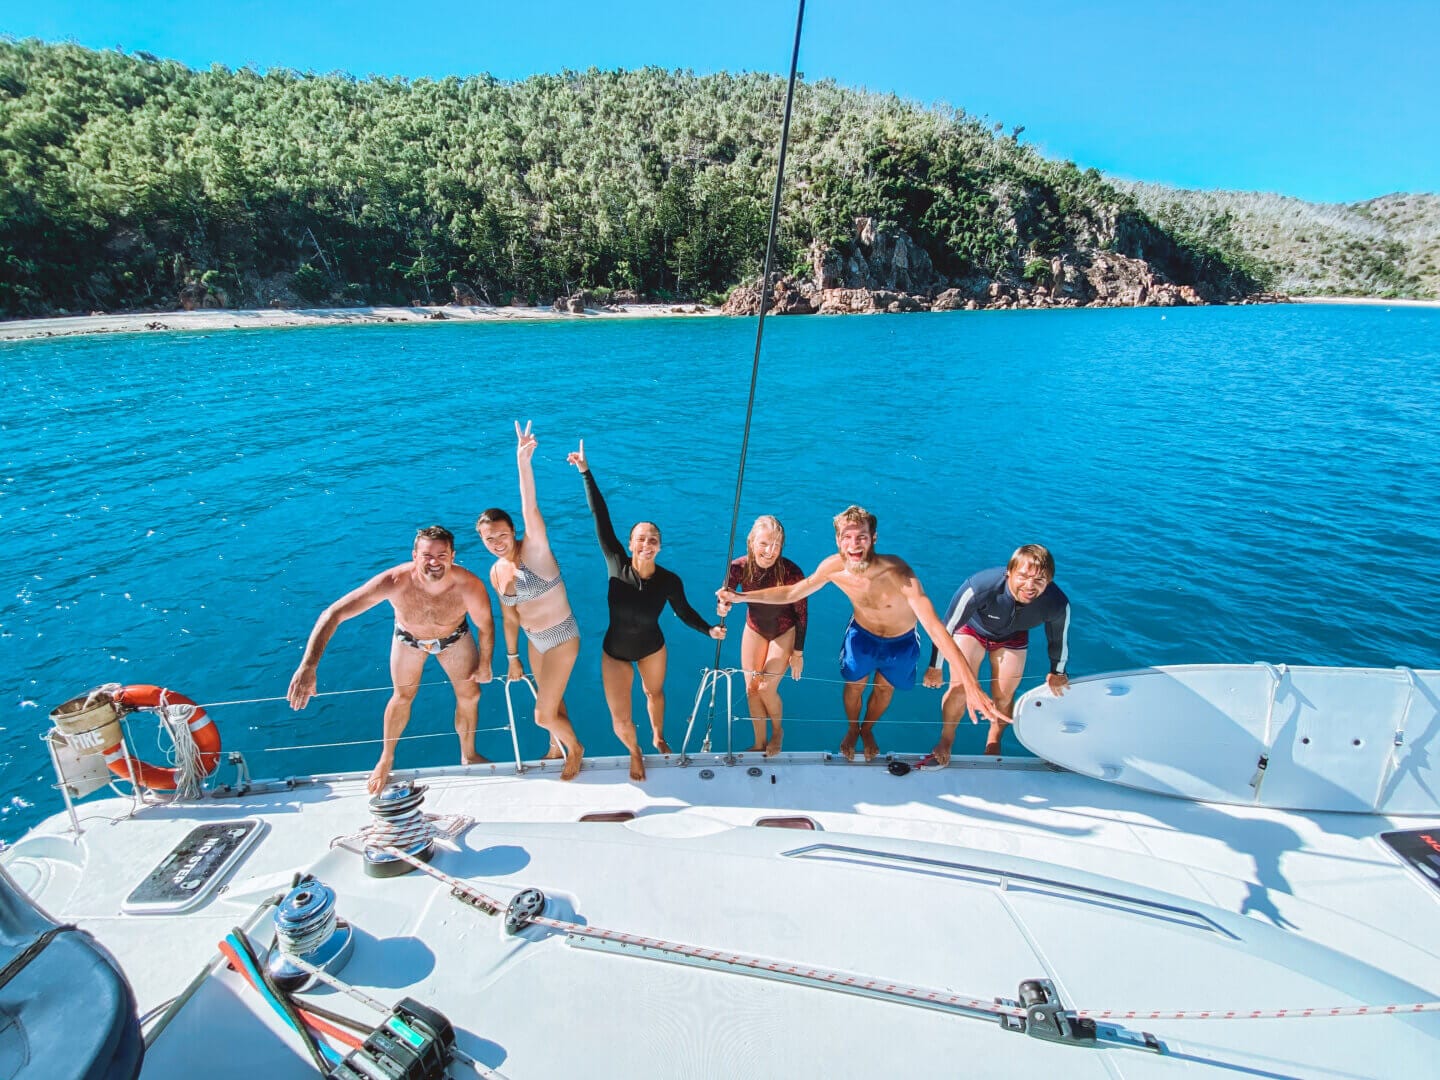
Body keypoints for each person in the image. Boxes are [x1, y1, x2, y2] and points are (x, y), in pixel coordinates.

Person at [718, 505, 1006, 762]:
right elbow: (793, 592)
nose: (854, 544)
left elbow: (934, 626)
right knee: (853, 687)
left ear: (874, 539)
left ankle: (867, 730)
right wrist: (742, 598)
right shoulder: (833, 568)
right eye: (847, 537)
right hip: (862, 636)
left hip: (901, 641)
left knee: (883, 689)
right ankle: (852, 729)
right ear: (837, 541)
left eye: (861, 538)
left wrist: (970, 684)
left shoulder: (897, 571)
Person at [287, 525, 495, 794]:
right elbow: (333, 613)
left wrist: (486, 662)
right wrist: (308, 665)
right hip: (409, 640)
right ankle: (386, 758)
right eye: (427, 555)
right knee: (402, 697)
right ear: (414, 555)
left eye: (442, 555)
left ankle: (468, 754)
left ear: (453, 556)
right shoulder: (395, 581)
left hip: (454, 638)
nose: (434, 562)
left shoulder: (469, 585)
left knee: (470, 695)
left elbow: (486, 625)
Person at [568, 439, 725, 780]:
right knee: (620, 719)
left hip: (653, 648)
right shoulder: (615, 562)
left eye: (653, 539)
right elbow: (600, 515)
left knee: (654, 693)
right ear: (629, 544)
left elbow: (684, 612)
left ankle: (657, 736)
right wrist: (585, 471)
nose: (647, 543)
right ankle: (635, 750)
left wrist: (709, 629)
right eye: (641, 538)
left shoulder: (669, 580)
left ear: (660, 546)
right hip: (616, 652)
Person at [475, 421, 586, 780]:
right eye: (489, 539)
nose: (497, 542)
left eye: (502, 535)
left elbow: (530, 508)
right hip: (534, 642)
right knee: (552, 702)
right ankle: (556, 746)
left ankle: (576, 749)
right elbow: (510, 618)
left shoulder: (535, 551)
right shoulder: (495, 572)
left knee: (541, 713)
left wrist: (523, 462)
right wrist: (512, 658)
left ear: (512, 532)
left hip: (562, 637)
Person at [922, 544, 1070, 761]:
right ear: (1009, 572)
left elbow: (1059, 639)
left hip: (1013, 637)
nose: (1030, 586)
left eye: (1040, 580)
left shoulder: (1056, 603)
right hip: (972, 630)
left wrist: (1057, 671)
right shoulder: (980, 586)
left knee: (1004, 695)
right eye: (1023, 576)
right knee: (960, 687)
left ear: (1049, 580)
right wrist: (935, 666)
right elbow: (947, 628)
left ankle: (993, 741)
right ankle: (946, 739)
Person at [715, 515, 806, 756]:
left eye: (776, 545)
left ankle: (777, 732)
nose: (770, 550)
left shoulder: (792, 572)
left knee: (766, 687)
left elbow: (802, 614)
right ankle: (759, 743)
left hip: (783, 630)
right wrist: (722, 606)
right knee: (752, 689)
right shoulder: (738, 567)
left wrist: (798, 652)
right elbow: (726, 597)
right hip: (754, 628)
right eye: (764, 543)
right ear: (752, 542)